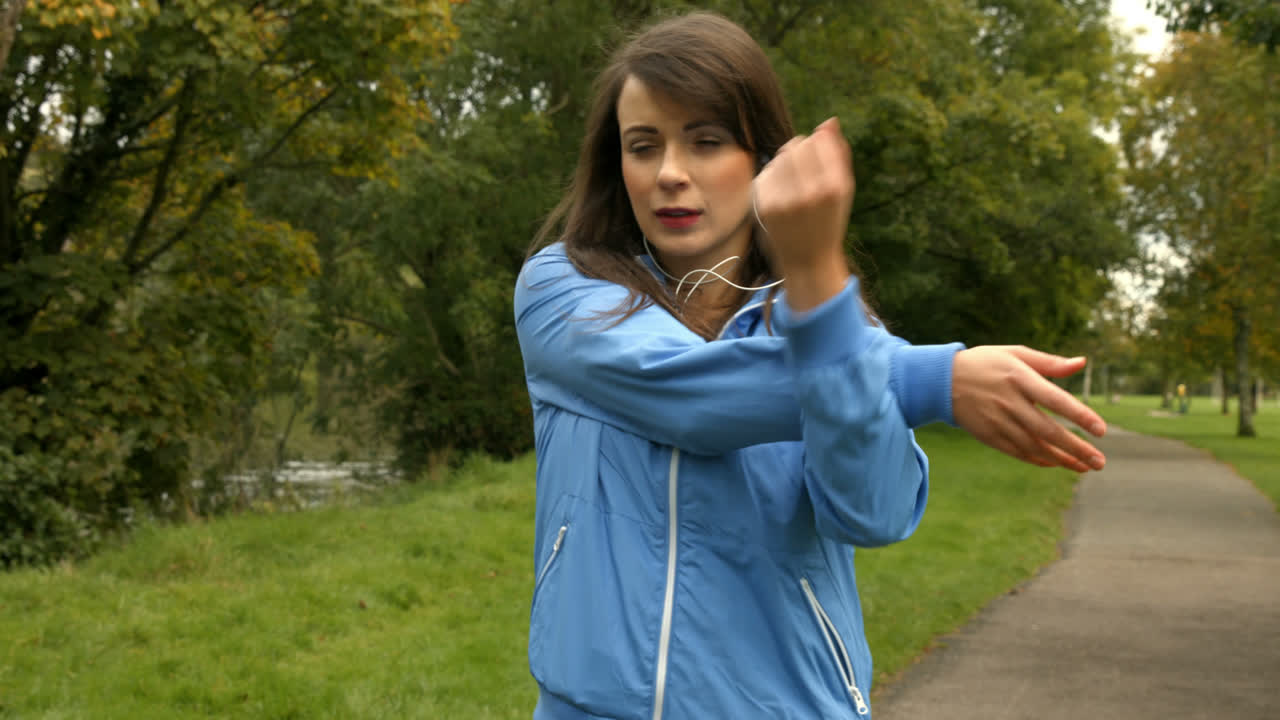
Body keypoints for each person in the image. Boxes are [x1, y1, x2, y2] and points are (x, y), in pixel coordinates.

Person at [513, 11, 1107, 719]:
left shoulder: (835, 326)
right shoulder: (563, 288)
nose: (670, 173)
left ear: (763, 158)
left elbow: (873, 513)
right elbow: (688, 398)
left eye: (706, 141)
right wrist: (931, 380)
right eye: (643, 146)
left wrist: (819, 282)